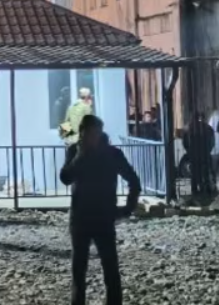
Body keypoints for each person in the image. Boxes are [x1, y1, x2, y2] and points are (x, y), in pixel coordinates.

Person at [59, 115, 140, 305]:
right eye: (88, 133)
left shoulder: (112, 154)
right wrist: (79, 157)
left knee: (110, 269)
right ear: (82, 133)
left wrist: (127, 209)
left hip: (102, 218)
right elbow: (65, 178)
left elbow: (134, 181)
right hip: (81, 218)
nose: (91, 137)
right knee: (79, 270)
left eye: (94, 133)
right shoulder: (75, 151)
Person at [182, 111, 216, 199]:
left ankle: (194, 190)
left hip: (193, 153)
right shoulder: (207, 127)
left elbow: (185, 142)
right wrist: (208, 150)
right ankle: (206, 188)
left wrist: (189, 151)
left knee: (194, 173)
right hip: (204, 152)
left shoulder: (188, 128)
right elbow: (212, 141)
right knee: (205, 171)